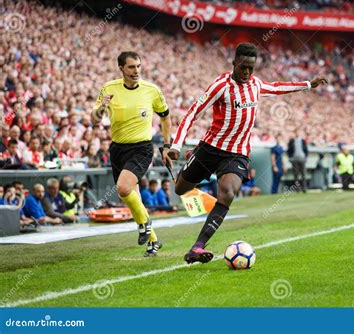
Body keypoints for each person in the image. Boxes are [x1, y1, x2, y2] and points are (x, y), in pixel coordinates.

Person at [165, 43, 327, 264]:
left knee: (228, 193)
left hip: (237, 153)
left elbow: (278, 87)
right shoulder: (220, 86)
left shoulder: (256, 84)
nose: (247, 73)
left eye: (251, 68)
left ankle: (198, 247)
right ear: (234, 63)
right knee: (181, 188)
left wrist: (308, 84)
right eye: (243, 68)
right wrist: (176, 145)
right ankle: (195, 160)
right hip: (211, 148)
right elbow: (193, 112)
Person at [92, 51, 173, 257]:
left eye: (138, 66)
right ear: (121, 69)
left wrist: (166, 146)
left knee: (123, 188)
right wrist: (102, 108)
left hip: (142, 148)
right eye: (131, 67)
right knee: (129, 195)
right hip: (117, 148)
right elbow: (95, 119)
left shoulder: (152, 90)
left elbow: (165, 117)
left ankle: (144, 223)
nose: (136, 71)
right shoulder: (109, 88)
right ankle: (153, 241)